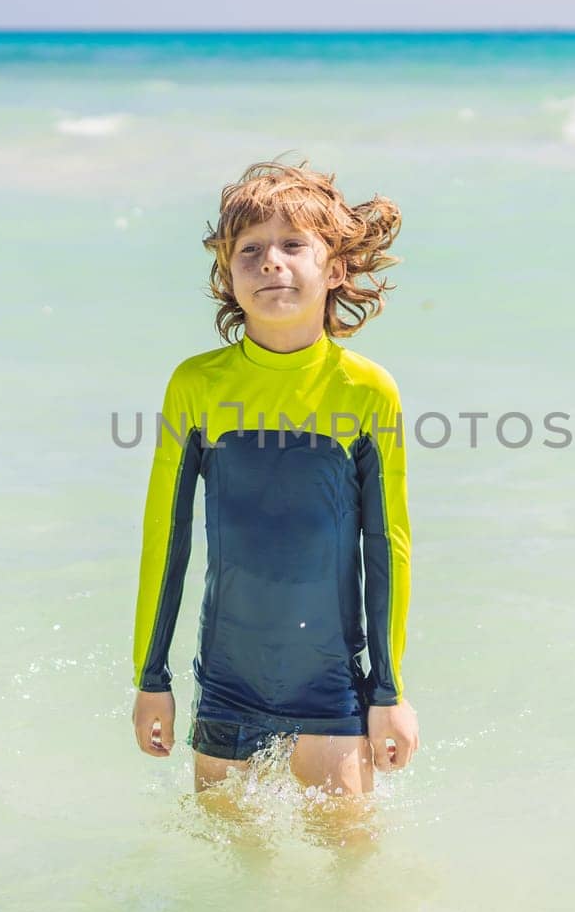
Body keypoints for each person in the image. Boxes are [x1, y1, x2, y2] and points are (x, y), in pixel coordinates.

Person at [129, 158, 420, 837]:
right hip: (226, 681)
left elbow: (389, 546)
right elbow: (164, 539)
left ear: (336, 267)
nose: (271, 262)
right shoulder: (195, 386)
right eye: (250, 251)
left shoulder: (366, 390)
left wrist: (389, 693)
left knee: (352, 863)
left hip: (331, 686)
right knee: (230, 873)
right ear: (228, 276)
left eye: (294, 245)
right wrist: (152, 678)